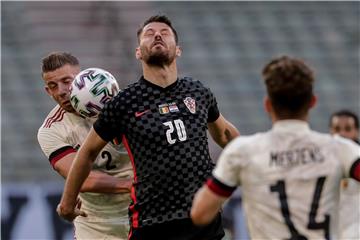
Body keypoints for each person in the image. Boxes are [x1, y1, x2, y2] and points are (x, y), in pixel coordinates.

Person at [57, 15, 240, 240]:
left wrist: (253, 165)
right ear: (138, 52)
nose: (157, 35)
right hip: (153, 221)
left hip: (203, 216)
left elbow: (224, 133)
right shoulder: (124, 102)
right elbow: (87, 152)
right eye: (149, 33)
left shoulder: (197, 91)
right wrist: (67, 202)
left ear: (178, 49)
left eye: (164, 33)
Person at [191, 56, 360, 239]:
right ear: (312, 102)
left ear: (268, 105)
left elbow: (200, 214)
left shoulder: (243, 152)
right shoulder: (341, 149)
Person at [37, 52, 133, 239]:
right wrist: (133, 185)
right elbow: (82, 177)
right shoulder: (51, 130)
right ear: (48, 91)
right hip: (96, 223)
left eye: (67, 81)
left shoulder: (119, 106)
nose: (61, 91)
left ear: (81, 77)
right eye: (53, 86)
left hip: (143, 209)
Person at [329, 109, 360, 239]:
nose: (342, 134)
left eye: (348, 129)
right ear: (330, 131)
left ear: (357, 131)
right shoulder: (320, 163)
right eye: (337, 129)